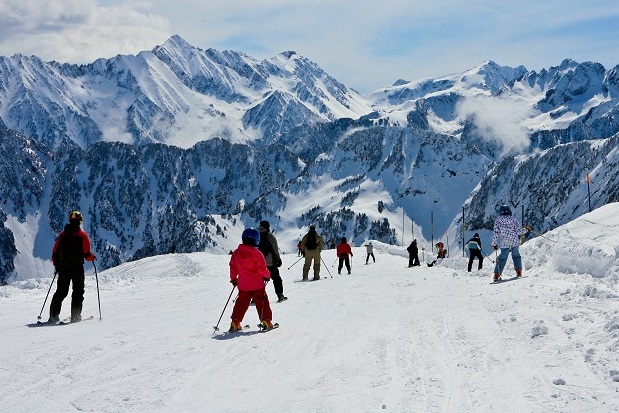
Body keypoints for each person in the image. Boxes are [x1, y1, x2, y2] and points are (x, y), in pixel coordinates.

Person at [48, 211, 96, 323]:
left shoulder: (62, 235)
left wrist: (57, 265)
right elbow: (87, 254)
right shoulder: (82, 236)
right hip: (77, 268)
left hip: (63, 268)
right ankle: (75, 316)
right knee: (78, 291)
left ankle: (53, 316)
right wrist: (92, 257)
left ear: (70, 221)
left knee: (61, 292)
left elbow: (55, 251)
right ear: (80, 222)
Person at [229, 228, 275, 331]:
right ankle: (266, 321)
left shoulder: (236, 253)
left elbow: (233, 267)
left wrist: (233, 279)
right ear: (256, 239)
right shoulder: (257, 254)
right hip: (257, 284)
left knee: (241, 302)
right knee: (262, 301)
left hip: (243, 285)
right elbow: (262, 269)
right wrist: (267, 276)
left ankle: (235, 322)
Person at [491, 205, 530, 282]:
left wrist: (494, 244)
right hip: (514, 240)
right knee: (516, 255)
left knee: (502, 257)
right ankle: (518, 271)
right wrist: (526, 229)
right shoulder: (513, 219)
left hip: (504, 242)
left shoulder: (498, 221)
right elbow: (518, 231)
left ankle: (497, 274)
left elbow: (496, 233)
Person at [257, 220, 287, 302]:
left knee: (259, 280)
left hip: (259, 262)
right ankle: (280, 295)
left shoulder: (256, 235)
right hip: (270, 262)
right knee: (276, 278)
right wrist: (278, 259)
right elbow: (275, 249)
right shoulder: (270, 236)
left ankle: (256, 297)